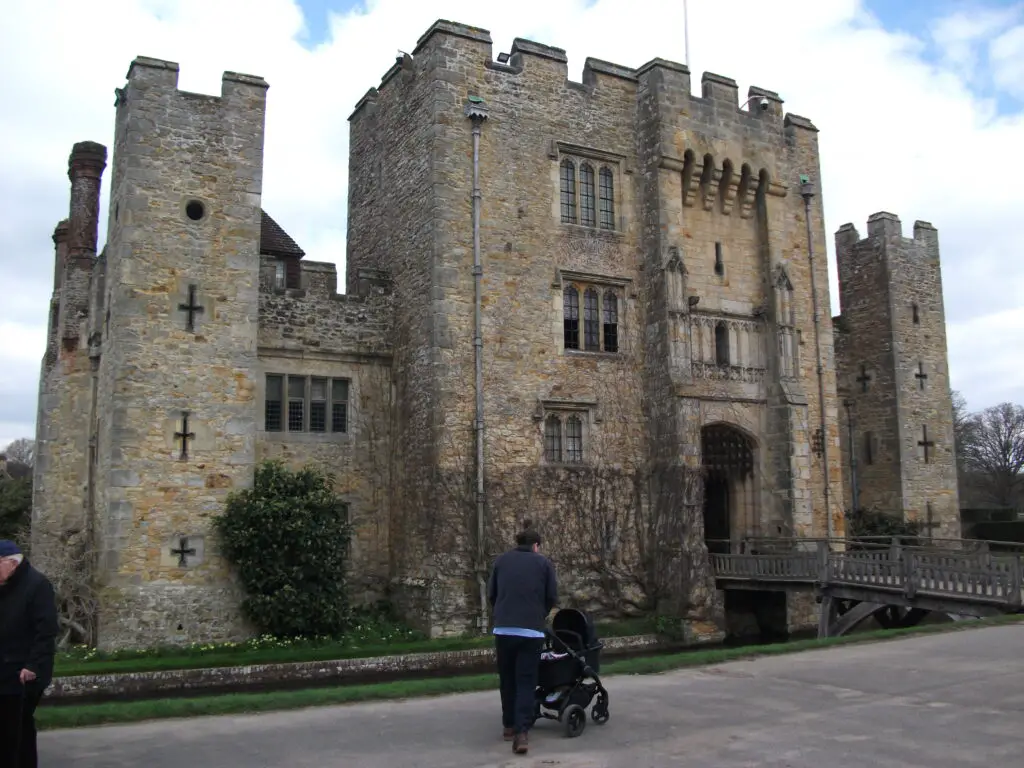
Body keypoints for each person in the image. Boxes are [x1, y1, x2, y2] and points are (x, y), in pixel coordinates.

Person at [487, 519, 558, 755]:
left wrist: (503, 613)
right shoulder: (543, 563)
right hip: (530, 631)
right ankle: (522, 732)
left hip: (504, 629)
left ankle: (508, 726)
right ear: (536, 545)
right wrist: (539, 615)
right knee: (526, 681)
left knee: (507, 679)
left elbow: (492, 594)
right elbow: (551, 596)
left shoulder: (501, 561)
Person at [0, 540, 59, 768]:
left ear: (11, 563)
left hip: (25, 673)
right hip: (5, 669)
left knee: (17, 727)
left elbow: (46, 630)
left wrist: (33, 665)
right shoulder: (6, 585)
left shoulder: (37, 585)